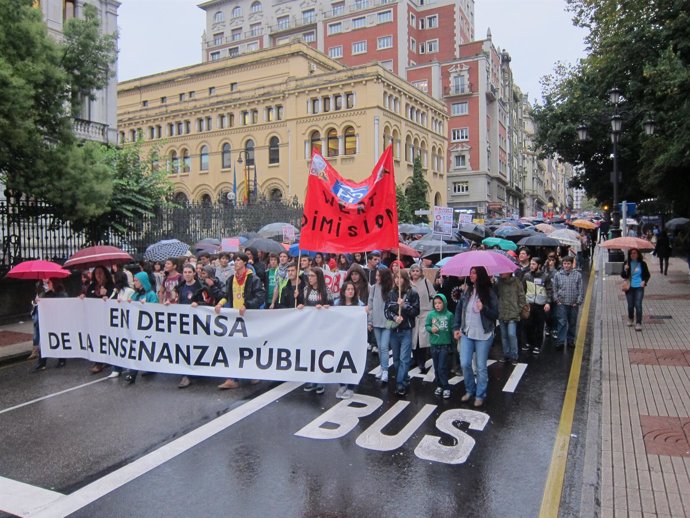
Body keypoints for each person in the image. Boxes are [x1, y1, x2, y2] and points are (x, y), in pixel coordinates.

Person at [214, 253, 265, 389]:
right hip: (234, 317)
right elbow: (226, 295)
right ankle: (232, 378)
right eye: (234, 260)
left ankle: (253, 373)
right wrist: (220, 303)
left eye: (237, 260)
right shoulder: (231, 279)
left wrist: (247, 305)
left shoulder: (253, 278)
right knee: (233, 346)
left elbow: (260, 296)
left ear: (244, 262)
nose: (235, 263)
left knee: (249, 346)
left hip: (248, 317)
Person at [453, 266, 499, 407]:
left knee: (480, 367)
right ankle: (470, 390)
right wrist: (456, 327)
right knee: (465, 363)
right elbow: (459, 309)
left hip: (483, 335)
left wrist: (483, 308)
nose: (471, 275)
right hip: (467, 333)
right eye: (470, 273)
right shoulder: (468, 291)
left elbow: (496, 314)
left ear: (480, 275)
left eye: (474, 273)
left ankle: (480, 394)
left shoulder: (490, 293)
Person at [384, 269, 420, 396]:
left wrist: (404, 305)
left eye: (400, 278)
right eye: (396, 278)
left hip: (406, 330)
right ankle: (404, 377)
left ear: (405, 279)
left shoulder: (413, 293)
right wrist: (394, 317)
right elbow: (387, 311)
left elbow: (416, 311)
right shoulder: (391, 293)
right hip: (394, 330)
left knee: (404, 358)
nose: (398, 280)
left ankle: (400, 383)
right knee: (396, 359)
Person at [298, 267, 333, 395]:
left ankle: (320, 381)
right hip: (309, 328)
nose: (309, 278)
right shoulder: (306, 289)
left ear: (318, 277)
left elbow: (332, 307)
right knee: (310, 354)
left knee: (321, 354)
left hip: (322, 328)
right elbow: (304, 304)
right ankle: (311, 379)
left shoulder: (326, 291)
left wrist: (325, 307)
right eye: (309, 276)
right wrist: (301, 306)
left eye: (312, 276)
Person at [123, 272, 159, 384]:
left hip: (147, 327)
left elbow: (155, 309)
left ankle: (134, 373)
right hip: (137, 327)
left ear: (143, 282)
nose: (134, 282)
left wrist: (146, 305)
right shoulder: (135, 294)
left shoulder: (151, 294)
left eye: (136, 280)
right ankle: (133, 373)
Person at [334, 280, 364, 399]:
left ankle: (351, 387)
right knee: (340, 361)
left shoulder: (359, 304)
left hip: (354, 338)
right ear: (344, 291)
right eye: (348, 289)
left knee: (352, 362)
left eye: (352, 289)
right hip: (340, 338)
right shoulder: (337, 303)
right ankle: (342, 385)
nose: (350, 291)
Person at [32, 278, 68, 371]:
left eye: (48, 282)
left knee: (59, 340)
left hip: (58, 321)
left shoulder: (62, 294)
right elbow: (40, 304)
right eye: (46, 283)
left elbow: (64, 305)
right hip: (47, 322)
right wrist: (37, 301)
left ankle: (62, 360)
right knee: (44, 341)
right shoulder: (44, 293)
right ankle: (42, 362)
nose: (46, 285)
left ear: (54, 283)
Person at [105, 271, 136, 378]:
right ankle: (116, 368)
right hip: (116, 323)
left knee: (127, 344)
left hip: (126, 323)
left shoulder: (129, 291)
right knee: (116, 344)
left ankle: (129, 366)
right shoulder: (115, 291)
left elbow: (131, 304)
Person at [425, 294, 454, 399]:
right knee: (436, 367)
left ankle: (446, 387)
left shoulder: (449, 315)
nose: (437, 305)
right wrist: (431, 329)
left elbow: (452, 329)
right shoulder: (431, 315)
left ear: (444, 303)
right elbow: (427, 325)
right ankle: (439, 385)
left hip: (444, 345)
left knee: (442, 367)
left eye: (439, 303)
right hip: (434, 345)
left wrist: (453, 342)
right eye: (435, 303)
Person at [552, 256, 584, 350]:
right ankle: (560, 341)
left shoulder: (577, 275)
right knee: (561, 322)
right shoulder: (558, 275)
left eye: (568, 263)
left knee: (572, 323)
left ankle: (571, 340)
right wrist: (556, 300)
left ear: (572, 264)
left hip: (573, 304)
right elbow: (555, 289)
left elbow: (580, 289)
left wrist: (578, 301)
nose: (566, 265)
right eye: (564, 263)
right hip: (561, 303)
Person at [522, 258, 552, 356]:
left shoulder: (545, 277)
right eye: (531, 264)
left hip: (540, 305)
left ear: (539, 265)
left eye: (533, 264)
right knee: (528, 325)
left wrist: (548, 302)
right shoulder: (526, 276)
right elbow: (523, 290)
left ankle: (537, 345)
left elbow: (549, 290)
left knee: (539, 326)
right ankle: (530, 342)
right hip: (529, 304)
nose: (531, 266)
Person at [368, 268, 393, 383]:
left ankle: (385, 370)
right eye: (376, 275)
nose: (376, 277)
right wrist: (370, 321)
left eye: (379, 276)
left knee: (384, 347)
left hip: (387, 321)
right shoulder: (373, 288)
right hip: (376, 321)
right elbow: (370, 305)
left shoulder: (391, 289)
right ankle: (382, 368)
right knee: (379, 347)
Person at [496, 270, 526, 365]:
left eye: (503, 271)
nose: (501, 272)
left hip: (513, 313)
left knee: (511, 335)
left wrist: (519, 309)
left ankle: (514, 356)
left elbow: (522, 296)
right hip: (502, 312)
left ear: (509, 271)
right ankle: (506, 354)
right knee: (504, 336)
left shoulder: (516, 281)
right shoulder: (498, 282)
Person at [410, 264, 435, 373]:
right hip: (412, 314)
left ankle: (422, 361)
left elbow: (433, 295)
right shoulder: (408, 283)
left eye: (417, 271)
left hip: (424, 313)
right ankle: (414, 359)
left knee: (423, 339)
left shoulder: (426, 282)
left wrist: (430, 308)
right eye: (413, 271)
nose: (415, 273)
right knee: (413, 338)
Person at [621, 248, 650, 331]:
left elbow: (647, 275)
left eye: (634, 253)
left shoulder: (642, 264)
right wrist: (625, 269)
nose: (633, 255)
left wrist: (644, 281)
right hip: (629, 287)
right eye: (631, 253)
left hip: (639, 287)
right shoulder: (627, 263)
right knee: (630, 305)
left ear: (638, 254)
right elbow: (623, 276)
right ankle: (630, 318)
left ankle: (638, 323)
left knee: (638, 305)